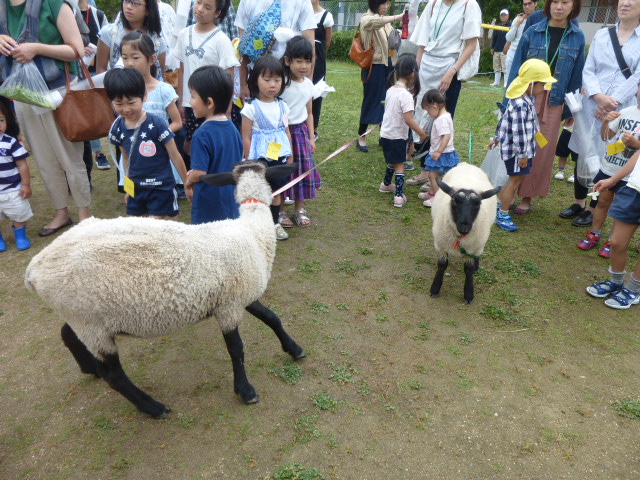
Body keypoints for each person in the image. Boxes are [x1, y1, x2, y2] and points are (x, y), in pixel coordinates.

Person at [0, 0, 92, 236]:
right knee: (43, 159)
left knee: (69, 157)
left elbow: (77, 49)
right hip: (22, 93)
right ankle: (61, 213)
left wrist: (37, 48)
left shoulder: (53, 3)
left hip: (57, 92)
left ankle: (85, 215)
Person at [559, 0, 640, 227]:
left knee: (608, 156)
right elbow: (589, 68)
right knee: (583, 151)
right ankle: (579, 202)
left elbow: (638, 77)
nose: (625, 3)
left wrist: (613, 103)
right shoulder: (603, 35)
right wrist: (598, 97)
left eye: (632, 0)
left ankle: (594, 208)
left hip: (622, 110)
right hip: (592, 104)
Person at [505, 0, 585, 215]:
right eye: (555, 2)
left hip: (555, 100)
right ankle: (510, 189)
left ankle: (527, 196)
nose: (559, 7)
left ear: (573, 6)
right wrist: (508, 99)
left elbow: (577, 76)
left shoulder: (578, 36)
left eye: (565, 2)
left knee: (542, 149)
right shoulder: (533, 31)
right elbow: (516, 68)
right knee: (518, 142)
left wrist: (570, 110)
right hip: (526, 95)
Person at [105, 67, 188, 219]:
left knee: (160, 228)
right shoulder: (117, 128)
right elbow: (126, 159)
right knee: (141, 233)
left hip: (161, 188)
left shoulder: (158, 124)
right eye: (119, 104)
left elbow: (175, 155)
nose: (126, 109)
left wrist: (187, 185)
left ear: (144, 96)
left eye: (131, 102)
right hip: (137, 190)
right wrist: (128, 189)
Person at [490, 59, 556, 231]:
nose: (545, 89)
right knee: (514, 182)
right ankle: (502, 214)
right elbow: (520, 134)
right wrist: (524, 155)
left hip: (516, 151)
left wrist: (497, 137)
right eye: (543, 85)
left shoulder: (522, 99)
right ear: (532, 83)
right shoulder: (521, 104)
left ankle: (498, 207)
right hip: (518, 153)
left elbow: (505, 121)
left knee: (513, 181)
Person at [120, 31, 185, 198]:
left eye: (135, 57)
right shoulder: (123, 91)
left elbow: (177, 122)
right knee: (137, 201)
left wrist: (158, 136)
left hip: (158, 154)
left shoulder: (163, 89)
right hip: (134, 154)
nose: (129, 63)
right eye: (125, 57)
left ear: (151, 59)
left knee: (161, 199)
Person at [172, 0, 238, 156]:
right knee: (192, 146)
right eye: (198, 3)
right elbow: (182, 70)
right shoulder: (184, 34)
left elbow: (229, 76)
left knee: (214, 147)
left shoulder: (221, 40)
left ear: (217, 13)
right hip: (191, 104)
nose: (200, 9)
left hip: (214, 107)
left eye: (207, 7)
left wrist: (227, 111)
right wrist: (181, 101)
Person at [577, 96, 640, 256]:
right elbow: (606, 137)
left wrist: (635, 144)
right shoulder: (626, 112)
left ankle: (613, 241)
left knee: (620, 211)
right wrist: (605, 122)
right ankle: (594, 233)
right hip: (609, 167)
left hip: (630, 176)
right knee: (602, 202)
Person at [241, 55, 293, 241]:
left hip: (279, 155)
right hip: (259, 158)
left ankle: (274, 223)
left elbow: (287, 132)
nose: (273, 85)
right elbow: (245, 136)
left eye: (277, 80)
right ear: (256, 80)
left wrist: (291, 155)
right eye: (267, 79)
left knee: (277, 191)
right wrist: (248, 160)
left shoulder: (283, 106)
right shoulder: (251, 108)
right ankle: (255, 226)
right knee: (259, 192)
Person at [185, 65, 243, 224]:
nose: (190, 102)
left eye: (193, 96)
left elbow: (199, 173)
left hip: (209, 206)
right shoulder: (233, 129)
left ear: (209, 102)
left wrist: (188, 181)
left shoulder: (201, 134)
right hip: (232, 201)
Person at [586, 150, 640, 309]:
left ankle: (634, 289)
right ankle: (616, 282)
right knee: (616, 242)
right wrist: (612, 179)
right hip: (634, 189)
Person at [410, 0, 482, 120]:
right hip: (426, 69)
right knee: (420, 110)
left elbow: (471, 45)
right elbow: (422, 41)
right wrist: (416, 72)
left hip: (449, 67)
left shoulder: (469, 5)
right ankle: (419, 139)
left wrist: (452, 72)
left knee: (442, 117)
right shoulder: (433, 4)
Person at [235, 0, 316, 102]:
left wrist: (308, 81)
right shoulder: (248, 1)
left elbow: (310, 44)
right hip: (258, 73)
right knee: (259, 113)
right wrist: (243, 85)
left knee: (289, 115)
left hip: (289, 73)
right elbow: (245, 47)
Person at [279, 36, 321, 226]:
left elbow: (310, 113)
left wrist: (311, 137)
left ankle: (299, 209)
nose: (304, 66)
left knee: (303, 170)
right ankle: (280, 211)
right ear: (288, 61)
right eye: (299, 61)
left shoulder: (308, 85)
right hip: (281, 134)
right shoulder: (282, 84)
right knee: (282, 171)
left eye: (308, 61)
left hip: (301, 133)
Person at [355, 0, 405, 153]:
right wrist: (398, 17)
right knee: (371, 100)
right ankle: (361, 136)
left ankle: (384, 136)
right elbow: (375, 22)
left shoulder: (385, 22)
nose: (386, 7)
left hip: (387, 66)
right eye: (383, 4)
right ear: (375, 3)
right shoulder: (367, 19)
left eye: (387, 4)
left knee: (387, 101)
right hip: (373, 66)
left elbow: (390, 36)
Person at [378, 54, 427, 208]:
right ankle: (399, 196)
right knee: (400, 164)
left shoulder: (391, 90)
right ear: (413, 73)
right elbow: (409, 119)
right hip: (397, 136)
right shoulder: (406, 95)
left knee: (392, 160)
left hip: (385, 134)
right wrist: (421, 132)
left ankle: (386, 184)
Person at [96, 0, 167, 78]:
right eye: (126, 1)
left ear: (148, 9)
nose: (128, 7)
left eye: (135, 3)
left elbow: (159, 75)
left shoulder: (158, 41)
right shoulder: (109, 33)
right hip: (116, 88)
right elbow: (101, 70)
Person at [78, 0, 110, 172]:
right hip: (76, 73)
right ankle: (94, 152)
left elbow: (107, 40)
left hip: (97, 72)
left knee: (96, 112)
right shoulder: (67, 12)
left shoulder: (98, 15)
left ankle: (98, 153)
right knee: (83, 114)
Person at [417, 89, 460, 207]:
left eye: (427, 109)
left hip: (442, 153)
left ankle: (437, 197)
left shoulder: (442, 120)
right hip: (440, 152)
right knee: (435, 174)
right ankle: (432, 192)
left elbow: (446, 135)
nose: (428, 113)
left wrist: (439, 151)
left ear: (434, 106)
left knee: (432, 175)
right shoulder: (445, 116)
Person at [0, 100, 32, 251]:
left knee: (19, 213)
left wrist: (26, 184)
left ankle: (20, 236)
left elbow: (22, 164)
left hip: (13, 188)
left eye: (1, 120)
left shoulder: (11, 142)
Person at [311, 0, 333, 140]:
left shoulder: (327, 16)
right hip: (301, 56)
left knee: (316, 92)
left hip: (319, 58)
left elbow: (327, 42)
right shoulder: (301, 12)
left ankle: (314, 128)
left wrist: (318, 54)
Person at [504, 0, 537, 88]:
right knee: (509, 82)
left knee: (524, 83)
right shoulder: (518, 19)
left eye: (529, 4)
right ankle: (507, 101)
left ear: (535, 4)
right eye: (525, 4)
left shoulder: (538, 19)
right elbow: (509, 38)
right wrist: (518, 23)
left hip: (528, 54)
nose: (527, 6)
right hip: (513, 52)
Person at [490, 9, 510, 87]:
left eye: (505, 15)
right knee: (496, 66)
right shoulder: (498, 26)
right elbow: (494, 38)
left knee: (505, 66)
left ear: (508, 16)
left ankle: (505, 82)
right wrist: (492, 48)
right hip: (497, 49)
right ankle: (496, 82)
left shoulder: (511, 25)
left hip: (505, 50)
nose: (503, 17)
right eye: (502, 15)